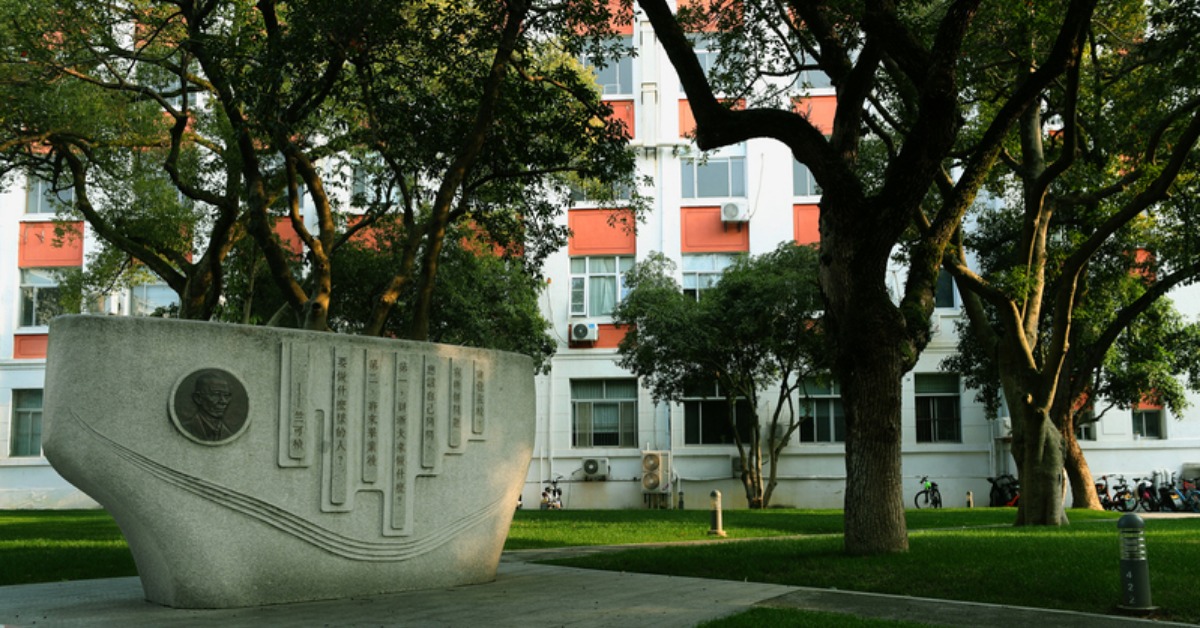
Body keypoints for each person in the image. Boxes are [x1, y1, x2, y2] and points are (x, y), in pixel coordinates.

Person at [179, 372, 238, 441]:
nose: (223, 401)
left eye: (226, 395)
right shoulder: (186, 428)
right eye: (215, 394)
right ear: (198, 398)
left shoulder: (229, 435)